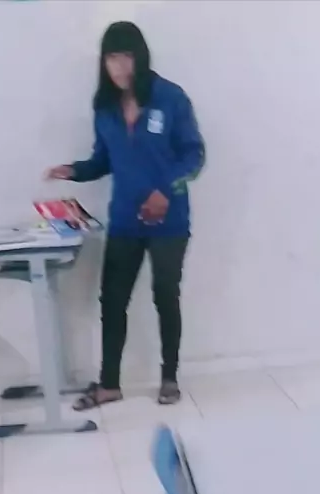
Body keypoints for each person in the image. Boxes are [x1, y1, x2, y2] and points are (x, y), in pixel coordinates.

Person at [46, 21, 205, 407]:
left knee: (165, 295)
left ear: (140, 57)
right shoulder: (104, 106)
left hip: (168, 221)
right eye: (111, 58)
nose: (119, 66)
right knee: (113, 300)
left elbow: (194, 155)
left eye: (126, 56)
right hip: (124, 221)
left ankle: (169, 379)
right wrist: (74, 171)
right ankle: (109, 384)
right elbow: (104, 159)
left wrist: (166, 191)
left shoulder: (171, 98)